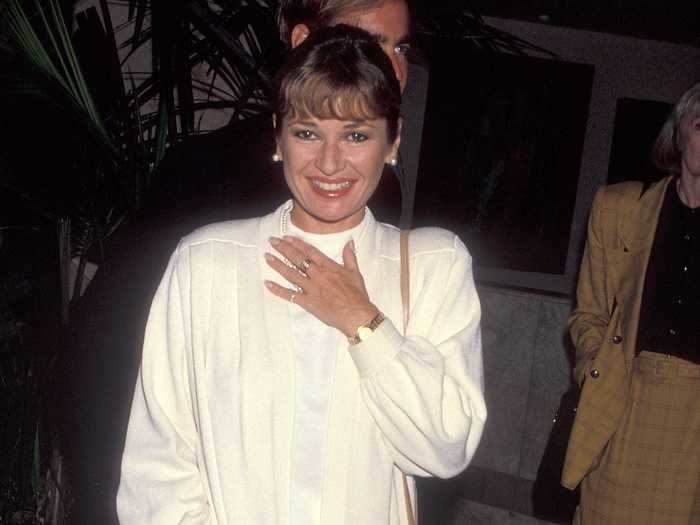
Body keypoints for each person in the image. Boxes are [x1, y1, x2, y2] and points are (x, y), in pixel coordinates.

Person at [117, 25, 486, 524]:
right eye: (308, 132)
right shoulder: (206, 261)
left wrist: (362, 319)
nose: (330, 162)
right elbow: (157, 467)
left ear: (392, 143)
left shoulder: (434, 265)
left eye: (357, 135)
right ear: (279, 137)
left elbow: (446, 449)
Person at [59, 3, 413, 524]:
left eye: (401, 47)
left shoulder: (382, 191)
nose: (394, 66)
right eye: (374, 41)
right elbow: (119, 338)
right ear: (302, 42)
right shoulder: (206, 173)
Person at [562, 82, 700, 523]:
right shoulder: (618, 208)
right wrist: (597, 372)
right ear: (680, 133)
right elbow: (588, 315)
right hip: (626, 410)